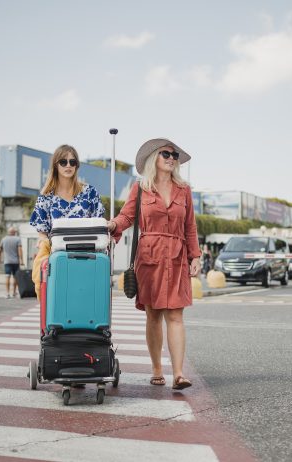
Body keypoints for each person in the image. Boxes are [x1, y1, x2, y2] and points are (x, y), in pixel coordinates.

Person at [107, 138, 201, 390]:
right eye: (166, 154)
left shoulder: (184, 190)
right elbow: (127, 216)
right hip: (149, 257)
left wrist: (195, 256)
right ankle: (157, 368)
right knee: (154, 315)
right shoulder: (141, 188)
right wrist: (113, 224)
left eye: (174, 155)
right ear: (154, 159)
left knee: (176, 315)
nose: (171, 159)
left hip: (177, 257)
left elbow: (190, 226)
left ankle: (178, 374)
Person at [29, 144, 105, 291]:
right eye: (63, 162)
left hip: (88, 258)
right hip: (58, 261)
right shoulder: (45, 197)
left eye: (72, 162)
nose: (68, 165)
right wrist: (43, 243)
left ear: (77, 165)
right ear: (55, 165)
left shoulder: (90, 192)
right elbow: (42, 233)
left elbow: (99, 223)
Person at [0, 227, 23, 298]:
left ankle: (7, 293)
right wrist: (21, 260)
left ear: (8, 232)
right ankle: (14, 293)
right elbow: (20, 250)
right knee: (15, 277)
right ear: (14, 232)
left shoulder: (4, 239)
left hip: (7, 262)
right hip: (16, 262)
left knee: (7, 277)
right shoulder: (17, 239)